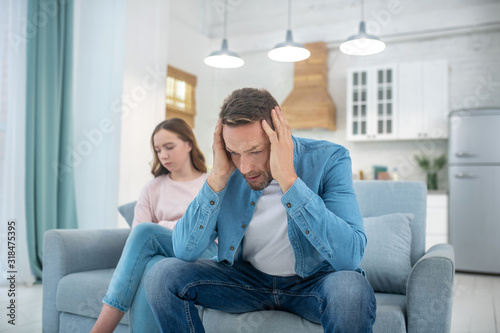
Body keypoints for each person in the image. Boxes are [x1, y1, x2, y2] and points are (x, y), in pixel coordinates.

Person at [145, 88, 377, 332]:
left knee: (352, 289)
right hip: (248, 282)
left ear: (279, 136)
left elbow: (349, 256)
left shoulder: (330, 159)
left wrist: (289, 180)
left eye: (255, 151)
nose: (245, 167)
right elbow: (184, 250)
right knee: (162, 275)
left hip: (314, 283)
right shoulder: (228, 169)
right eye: (235, 153)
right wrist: (218, 178)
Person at [91, 118, 217, 333]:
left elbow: (213, 233)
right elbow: (137, 237)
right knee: (153, 265)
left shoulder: (211, 183)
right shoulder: (152, 188)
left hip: (204, 252)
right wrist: (172, 228)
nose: (163, 155)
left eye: (169, 147)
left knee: (148, 234)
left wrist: (163, 226)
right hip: (164, 255)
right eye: (158, 150)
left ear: (189, 144)